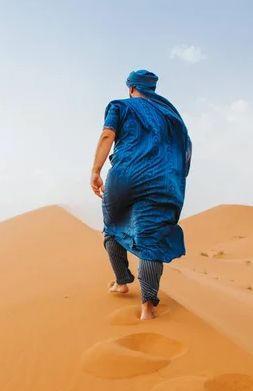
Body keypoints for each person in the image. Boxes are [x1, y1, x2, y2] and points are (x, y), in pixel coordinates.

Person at [90, 69, 192, 320]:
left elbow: (107, 135)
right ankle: (148, 306)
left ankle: (122, 281)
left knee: (112, 227)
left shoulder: (120, 106)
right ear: (151, 89)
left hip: (125, 175)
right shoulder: (170, 116)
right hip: (161, 181)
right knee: (151, 240)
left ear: (132, 88)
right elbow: (185, 148)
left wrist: (95, 170)